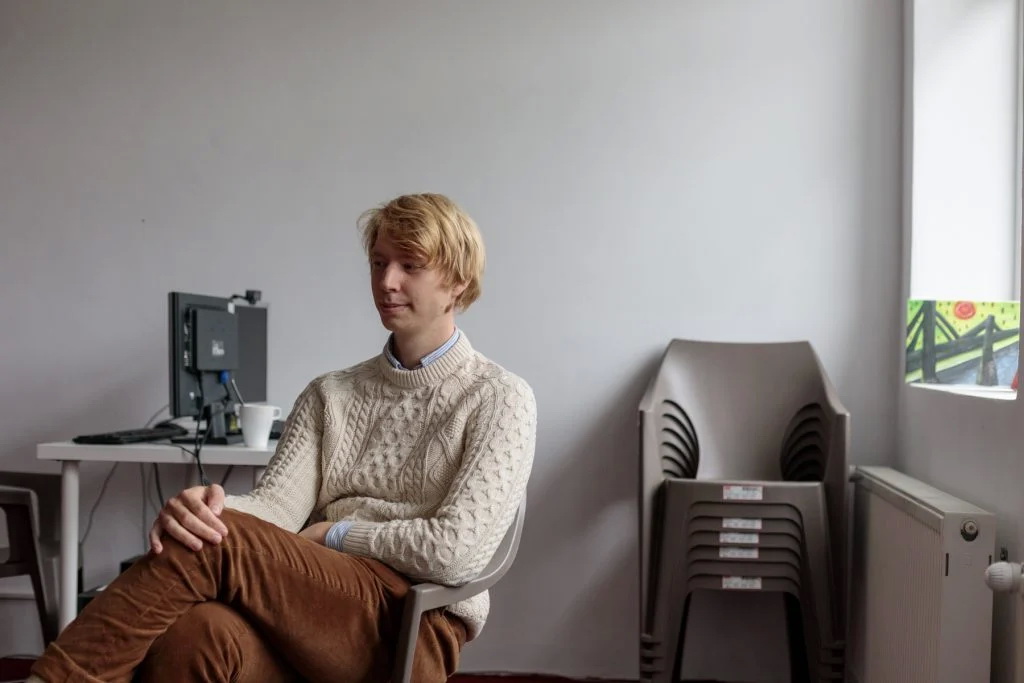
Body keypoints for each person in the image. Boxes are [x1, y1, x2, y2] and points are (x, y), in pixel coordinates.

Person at [29, 193, 537, 683]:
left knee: (218, 541)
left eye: (410, 265)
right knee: (196, 632)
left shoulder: (499, 397)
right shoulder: (330, 393)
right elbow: (276, 507)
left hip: (413, 622)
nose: (387, 281)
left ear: (458, 281)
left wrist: (335, 534)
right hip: (310, 607)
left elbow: (455, 552)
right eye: (379, 263)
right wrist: (207, 507)